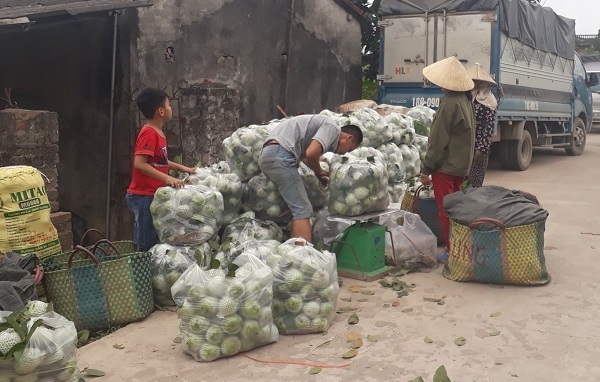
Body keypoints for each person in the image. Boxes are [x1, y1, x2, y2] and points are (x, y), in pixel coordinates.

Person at [258, 114, 363, 243]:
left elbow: (307, 157)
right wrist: (318, 171)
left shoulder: (322, 127)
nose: (344, 153)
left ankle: (292, 247)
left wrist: (318, 173)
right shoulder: (332, 127)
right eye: (349, 149)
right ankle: (302, 256)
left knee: (294, 206)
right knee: (302, 209)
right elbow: (311, 153)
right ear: (349, 138)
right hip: (281, 156)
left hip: (269, 154)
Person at [419, 56, 476, 261]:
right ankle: (461, 246)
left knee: (446, 210)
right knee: (457, 208)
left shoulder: (449, 103)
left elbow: (437, 139)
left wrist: (427, 168)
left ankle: (453, 251)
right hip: (461, 166)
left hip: (446, 166)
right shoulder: (466, 100)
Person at [126, 88, 196, 251]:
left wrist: (183, 168)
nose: (171, 109)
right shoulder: (149, 133)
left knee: (152, 237)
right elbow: (139, 163)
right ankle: (140, 273)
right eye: (169, 105)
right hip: (143, 196)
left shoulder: (158, 133)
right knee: (145, 242)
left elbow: (161, 161)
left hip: (151, 195)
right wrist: (167, 179)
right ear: (161, 111)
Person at [465, 63, 498, 188]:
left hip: (479, 148)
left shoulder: (489, 101)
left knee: (473, 184)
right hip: (466, 146)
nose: (473, 82)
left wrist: (481, 149)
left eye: (475, 80)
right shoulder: (468, 97)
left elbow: (488, 129)